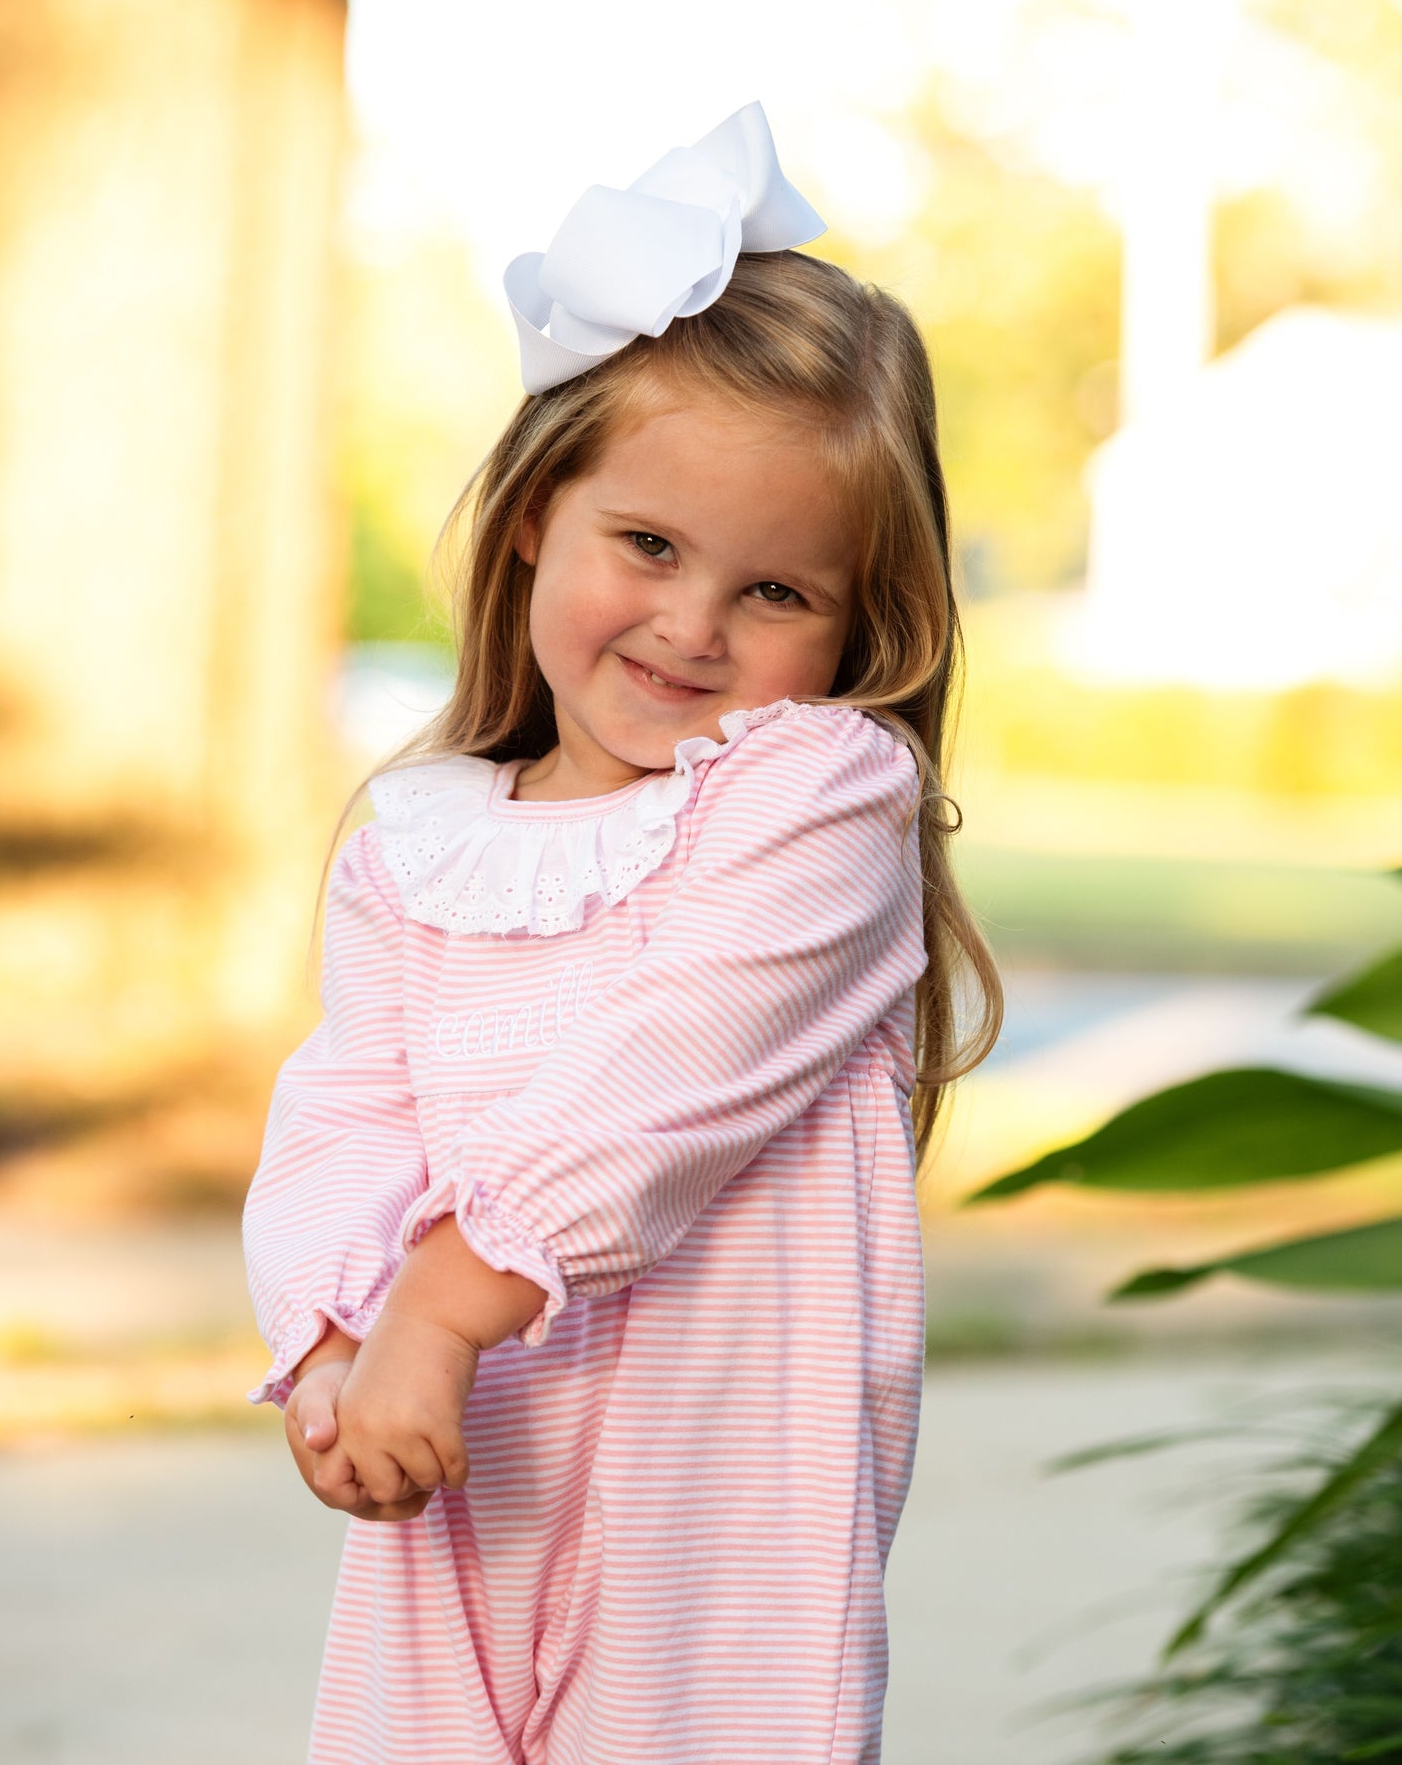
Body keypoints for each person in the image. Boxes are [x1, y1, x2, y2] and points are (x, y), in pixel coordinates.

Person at [243, 101, 1002, 1765]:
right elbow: (346, 1102)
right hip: (464, 1466)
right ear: (533, 514)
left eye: (775, 593)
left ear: (857, 620)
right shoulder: (422, 845)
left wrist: (438, 1306)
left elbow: (655, 1081)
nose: (690, 626)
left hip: (717, 1497)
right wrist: (333, 1335)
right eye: (646, 545)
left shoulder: (814, 804)